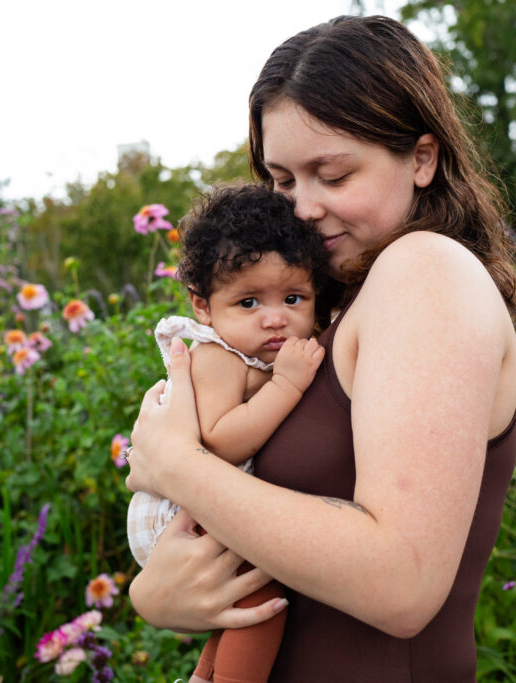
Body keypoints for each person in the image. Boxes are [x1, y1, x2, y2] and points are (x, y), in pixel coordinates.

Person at [125, 14, 516, 681]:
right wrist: (153, 593)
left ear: (422, 158)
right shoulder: (331, 304)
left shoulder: (426, 271)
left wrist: (174, 463)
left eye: (333, 175)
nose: (304, 207)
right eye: (283, 181)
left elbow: (401, 580)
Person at [126, 184, 330, 683]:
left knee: (239, 603)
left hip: (198, 507)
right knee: (263, 602)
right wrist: (284, 385)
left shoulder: (255, 353)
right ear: (203, 306)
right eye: (248, 302)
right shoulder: (217, 356)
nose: (275, 317)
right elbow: (218, 441)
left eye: (293, 297)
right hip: (177, 517)